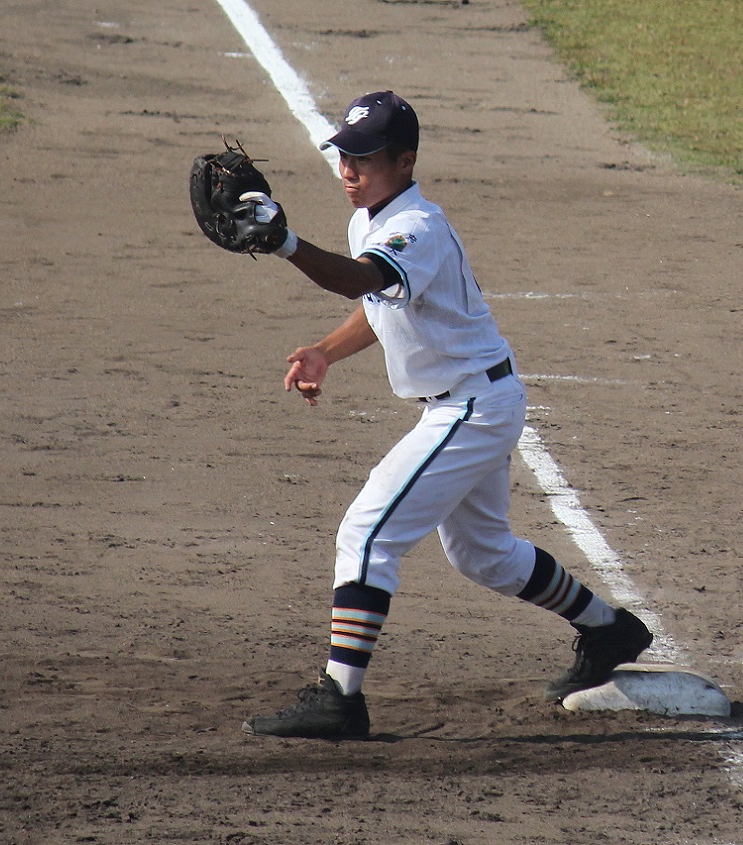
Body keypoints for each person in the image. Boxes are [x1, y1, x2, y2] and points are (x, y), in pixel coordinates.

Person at [236, 90, 652, 740]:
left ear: (404, 161)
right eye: (345, 156)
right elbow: (377, 302)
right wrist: (325, 351)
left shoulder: (416, 228)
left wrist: (286, 242)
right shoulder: (370, 220)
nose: (350, 169)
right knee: (483, 555)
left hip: (472, 407)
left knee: (367, 533)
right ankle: (608, 628)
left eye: (365, 159)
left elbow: (360, 279)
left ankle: (340, 697)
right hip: (475, 399)